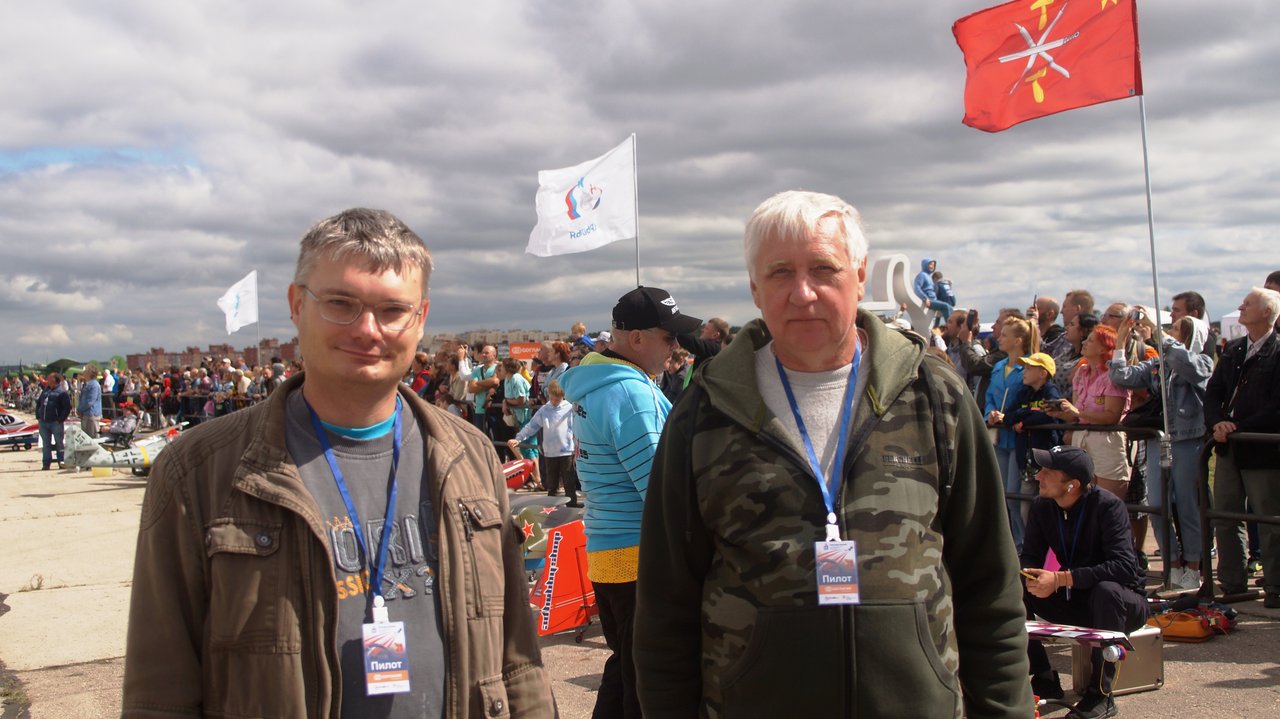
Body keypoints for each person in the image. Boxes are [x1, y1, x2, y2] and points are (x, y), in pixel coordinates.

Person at [122, 208, 554, 718]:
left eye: (392, 310)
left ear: (420, 319)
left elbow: (517, 660)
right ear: (296, 305)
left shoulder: (470, 455)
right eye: (341, 304)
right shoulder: (199, 471)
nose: (367, 330)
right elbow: (160, 692)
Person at [635, 191, 1032, 718]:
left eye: (824, 269)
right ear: (754, 288)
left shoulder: (933, 395)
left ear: (860, 276)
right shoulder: (706, 412)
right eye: (780, 272)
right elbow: (664, 611)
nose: (803, 292)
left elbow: (991, 587)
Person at [560, 285, 702, 719]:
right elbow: (661, 491)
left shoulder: (598, 383)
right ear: (637, 338)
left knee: (626, 668)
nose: (676, 346)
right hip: (640, 557)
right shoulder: (630, 393)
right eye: (669, 336)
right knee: (649, 679)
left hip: (610, 551)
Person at [1021, 446, 1149, 719]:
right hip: (1074, 598)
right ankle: (1043, 677)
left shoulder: (1108, 506)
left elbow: (1124, 568)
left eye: (1048, 471)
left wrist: (1061, 579)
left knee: (1106, 592)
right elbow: (1030, 556)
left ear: (1072, 485)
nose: (1038, 476)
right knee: (1014, 588)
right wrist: (1030, 576)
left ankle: (1101, 694)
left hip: (1121, 603)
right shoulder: (1043, 506)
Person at [1109, 315, 1213, 590]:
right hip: (1159, 440)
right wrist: (1121, 341)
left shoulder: (1201, 361)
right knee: (1157, 504)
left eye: (1175, 329)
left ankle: (1194, 566)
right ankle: (1173, 564)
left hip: (1187, 439)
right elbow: (1121, 376)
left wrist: (1157, 332)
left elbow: (1187, 366)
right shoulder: (1157, 365)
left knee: (1187, 505)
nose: (1169, 332)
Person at [1205, 287, 1280, 608]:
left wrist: (1237, 427)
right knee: (1225, 516)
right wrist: (1218, 423)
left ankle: (1276, 586)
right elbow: (1213, 392)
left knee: (1268, 519)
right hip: (1228, 447)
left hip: (1262, 451)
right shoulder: (1234, 349)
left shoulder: (1277, 351)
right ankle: (1232, 583)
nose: (1240, 307)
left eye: (1248, 304)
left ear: (1267, 312)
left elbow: (1277, 406)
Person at [1048, 325, 1130, 500]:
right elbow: (1077, 414)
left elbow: (1112, 416)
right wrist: (1061, 414)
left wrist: (1077, 412)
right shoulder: (1081, 373)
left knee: (1109, 501)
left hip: (1107, 440)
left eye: (1091, 340)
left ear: (1104, 348)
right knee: (1082, 500)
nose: (1084, 342)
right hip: (1082, 436)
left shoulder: (1113, 376)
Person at [985, 316, 1035, 550]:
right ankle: (1013, 541)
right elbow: (989, 397)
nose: (999, 338)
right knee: (1004, 493)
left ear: (1018, 340)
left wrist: (1010, 416)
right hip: (999, 436)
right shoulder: (998, 366)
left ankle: (1023, 541)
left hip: (1018, 437)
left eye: (1005, 335)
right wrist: (990, 414)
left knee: (1015, 493)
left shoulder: (1029, 367)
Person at [508, 380, 580, 506]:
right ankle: (551, 506)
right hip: (550, 453)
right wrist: (519, 438)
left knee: (569, 481)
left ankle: (572, 503)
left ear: (563, 396)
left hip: (567, 452)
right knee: (551, 483)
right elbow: (531, 426)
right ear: (549, 395)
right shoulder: (544, 410)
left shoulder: (569, 408)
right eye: (552, 398)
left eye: (558, 399)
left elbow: (578, 427)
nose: (555, 401)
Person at [35, 373, 71, 470]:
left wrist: (60, 419)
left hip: (55, 422)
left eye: (50, 377)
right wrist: (38, 416)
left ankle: (61, 462)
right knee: (46, 444)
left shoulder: (61, 392)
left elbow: (67, 407)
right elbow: (39, 403)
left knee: (59, 443)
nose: (47, 379)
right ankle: (46, 463)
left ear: (55, 380)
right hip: (43, 422)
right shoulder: (45, 391)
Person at [913, 257, 953, 325]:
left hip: (934, 300)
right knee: (946, 306)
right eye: (930, 264)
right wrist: (925, 298)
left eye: (933, 265)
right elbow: (916, 288)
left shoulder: (929, 277)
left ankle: (936, 327)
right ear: (925, 264)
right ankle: (949, 326)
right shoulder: (921, 275)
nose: (932, 266)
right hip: (929, 300)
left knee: (950, 307)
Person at [77, 365, 102, 438]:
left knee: (92, 438)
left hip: (91, 415)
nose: (83, 373)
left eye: (85, 371)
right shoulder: (88, 384)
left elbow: (90, 401)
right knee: (85, 438)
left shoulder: (94, 385)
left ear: (90, 373)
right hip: (86, 414)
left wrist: (80, 409)